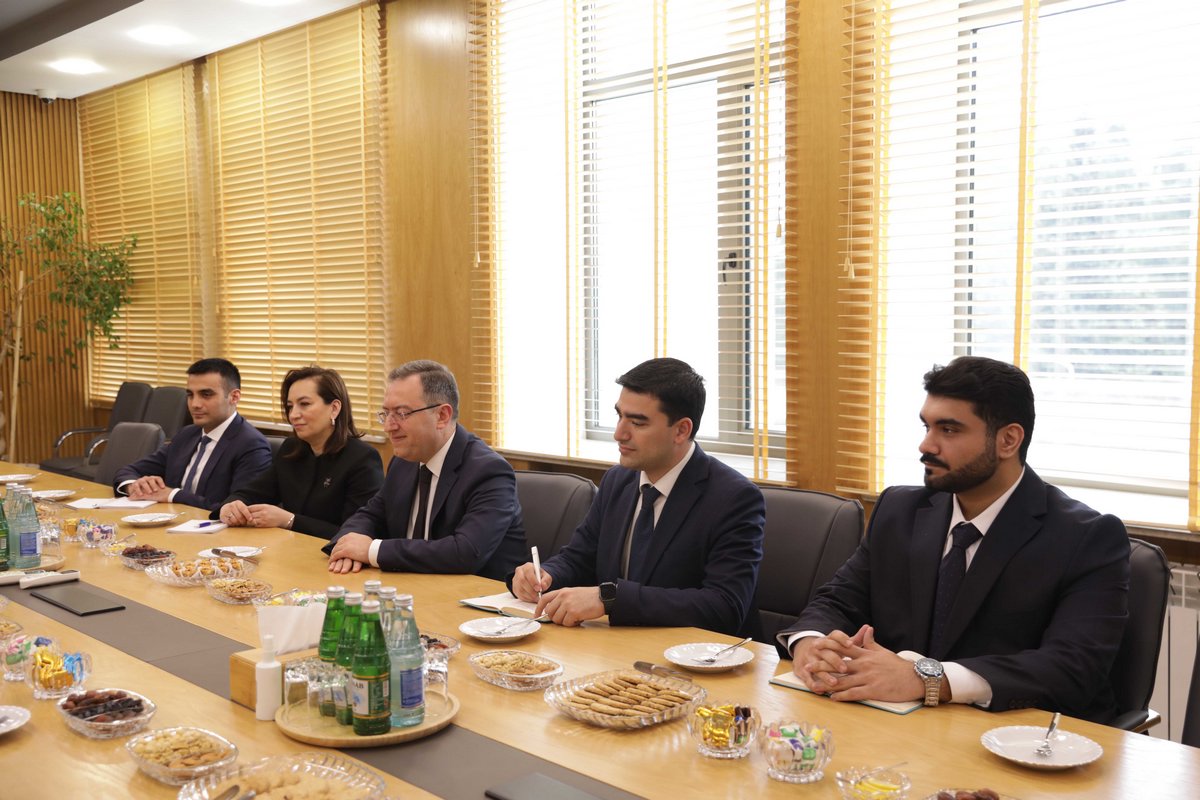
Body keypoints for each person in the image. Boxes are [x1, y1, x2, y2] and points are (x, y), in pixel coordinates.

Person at [778, 356, 1130, 723]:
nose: (926, 445)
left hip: (1019, 735)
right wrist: (811, 643)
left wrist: (929, 679)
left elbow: (1073, 667)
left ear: (1008, 440)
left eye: (948, 430)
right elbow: (839, 599)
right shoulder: (899, 509)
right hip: (899, 725)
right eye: (927, 426)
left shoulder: (1086, 537)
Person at [510, 357, 765, 637]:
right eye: (619, 416)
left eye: (637, 423)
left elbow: (724, 606)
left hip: (698, 654)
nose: (619, 434)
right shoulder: (618, 480)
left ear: (681, 430)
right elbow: (580, 558)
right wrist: (545, 574)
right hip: (617, 645)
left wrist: (610, 598)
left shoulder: (734, 498)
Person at [324, 360, 526, 579]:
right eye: (386, 413)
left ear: (442, 416)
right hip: (413, 585)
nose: (389, 426)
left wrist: (372, 551)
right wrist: (347, 546)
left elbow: (466, 552)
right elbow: (370, 515)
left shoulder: (489, 471)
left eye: (401, 413)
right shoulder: (404, 461)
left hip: (478, 594)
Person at [214, 366, 384, 539]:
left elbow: (357, 533)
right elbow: (251, 493)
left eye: (304, 404)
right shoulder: (291, 449)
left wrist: (290, 521)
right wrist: (231, 505)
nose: (293, 415)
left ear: (334, 408)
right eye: (290, 406)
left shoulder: (362, 458)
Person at [113, 358, 271, 512]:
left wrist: (173, 495)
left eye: (206, 395)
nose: (195, 404)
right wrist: (135, 486)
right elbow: (128, 471)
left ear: (234, 397)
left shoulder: (251, 445)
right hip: (170, 521)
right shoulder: (187, 435)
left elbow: (238, 509)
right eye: (190, 395)